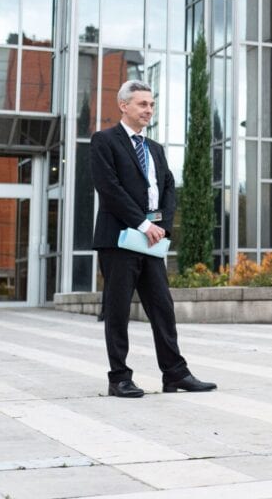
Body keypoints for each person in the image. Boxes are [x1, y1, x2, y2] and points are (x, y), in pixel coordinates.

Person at [91, 80, 216, 397]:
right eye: (142, 104)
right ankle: (119, 377)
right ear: (124, 105)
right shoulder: (104, 141)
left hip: (151, 243)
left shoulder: (155, 149)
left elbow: (169, 189)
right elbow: (109, 189)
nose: (148, 110)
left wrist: (163, 227)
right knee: (118, 311)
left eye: (151, 104)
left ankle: (174, 374)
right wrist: (143, 224)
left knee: (163, 307)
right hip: (120, 240)